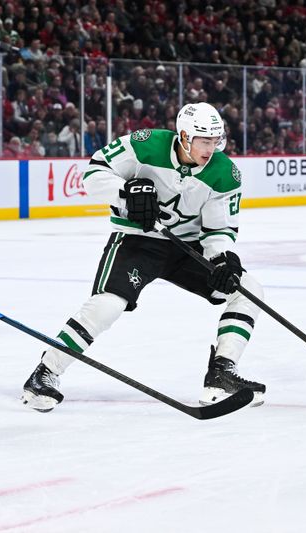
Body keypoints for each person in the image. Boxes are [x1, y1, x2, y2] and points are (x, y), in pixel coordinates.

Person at [21, 103, 266, 412]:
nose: (210, 148)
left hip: (187, 248)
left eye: (215, 140)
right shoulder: (145, 144)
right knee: (107, 304)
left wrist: (222, 259)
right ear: (184, 136)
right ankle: (45, 373)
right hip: (138, 241)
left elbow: (218, 229)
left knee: (248, 291)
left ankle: (221, 375)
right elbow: (93, 174)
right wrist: (126, 192)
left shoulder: (224, 173)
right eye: (204, 141)